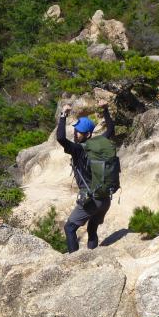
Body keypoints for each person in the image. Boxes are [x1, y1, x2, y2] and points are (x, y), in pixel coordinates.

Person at [56, 99, 115, 253]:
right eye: (75, 130)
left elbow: (61, 138)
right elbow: (110, 129)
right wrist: (105, 109)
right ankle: (92, 256)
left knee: (69, 228)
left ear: (88, 134)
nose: (75, 134)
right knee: (92, 228)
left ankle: (75, 261)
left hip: (91, 200)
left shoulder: (77, 150)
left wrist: (63, 115)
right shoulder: (99, 144)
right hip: (105, 198)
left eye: (79, 131)